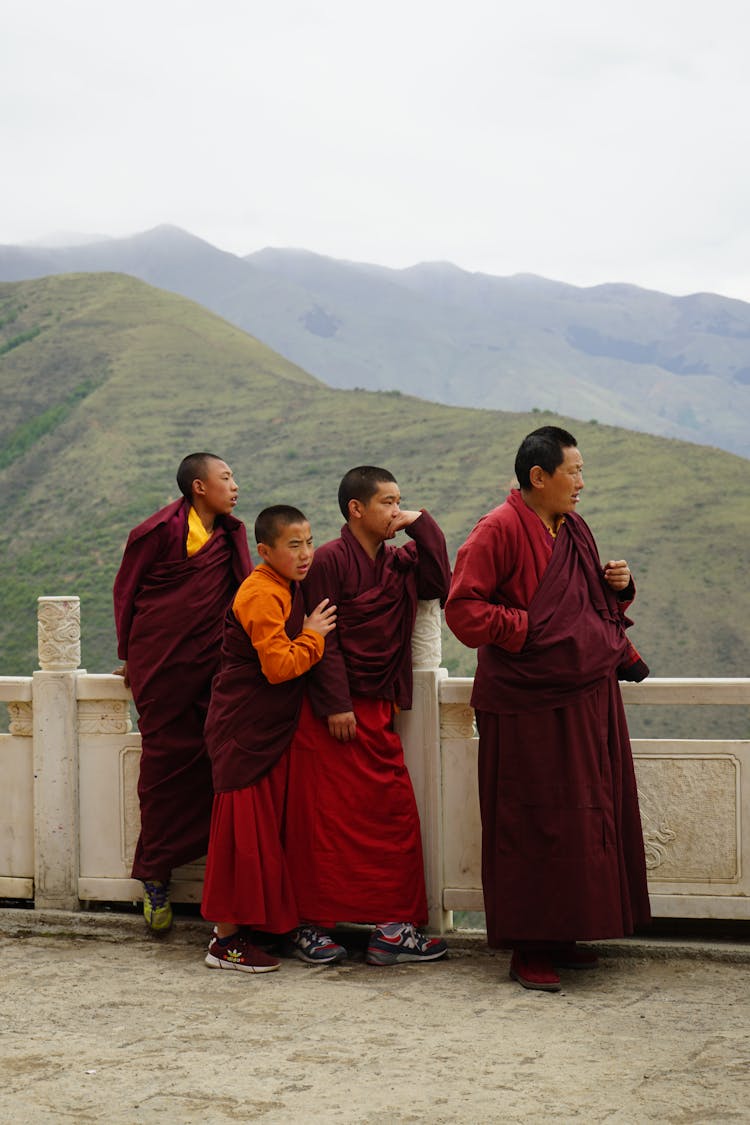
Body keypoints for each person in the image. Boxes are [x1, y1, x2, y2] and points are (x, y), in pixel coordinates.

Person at [445, 426, 651, 993]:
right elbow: (463, 612)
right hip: (525, 703)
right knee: (530, 819)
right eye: (574, 471)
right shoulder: (498, 529)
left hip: (582, 698)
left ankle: (565, 932)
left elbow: (586, 606)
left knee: (580, 815)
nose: (582, 483)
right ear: (539, 476)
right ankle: (528, 946)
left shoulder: (572, 528)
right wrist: (527, 630)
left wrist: (621, 586)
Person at [284, 466, 452, 966]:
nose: (395, 511)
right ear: (356, 509)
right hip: (331, 713)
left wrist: (422, 523)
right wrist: (335, 703)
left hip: (379, 709)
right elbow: (323, 636)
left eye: (400, 501)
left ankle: (392, 929)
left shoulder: (400, 563)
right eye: (387, 502)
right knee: (323, 821)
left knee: (392, 815)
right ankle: (310, 926)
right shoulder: (329, 561)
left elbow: (439, 581)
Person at [113, 453, 251, 933]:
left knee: (220, 763)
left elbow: (242, 595)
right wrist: (130, 654)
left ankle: (227, 887)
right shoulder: (157, 533)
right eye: (226, 477)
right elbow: (127, 593)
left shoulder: (231, 534)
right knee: (162, 769)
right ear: (199, 486)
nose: (234, 486)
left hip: (214, 666)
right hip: (162, 663)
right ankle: (155, 878)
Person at [201, 505, 337, 973]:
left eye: (309, 542)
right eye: (293, 545)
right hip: (243, 728)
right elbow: (279, 667)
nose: (305, 555)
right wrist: (314, 637)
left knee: (260, 835)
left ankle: (254, 930)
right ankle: (224, 942)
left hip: (263, 728)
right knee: (239, 835)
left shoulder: (285, 586)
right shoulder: (261, 592)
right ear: (265, 551)